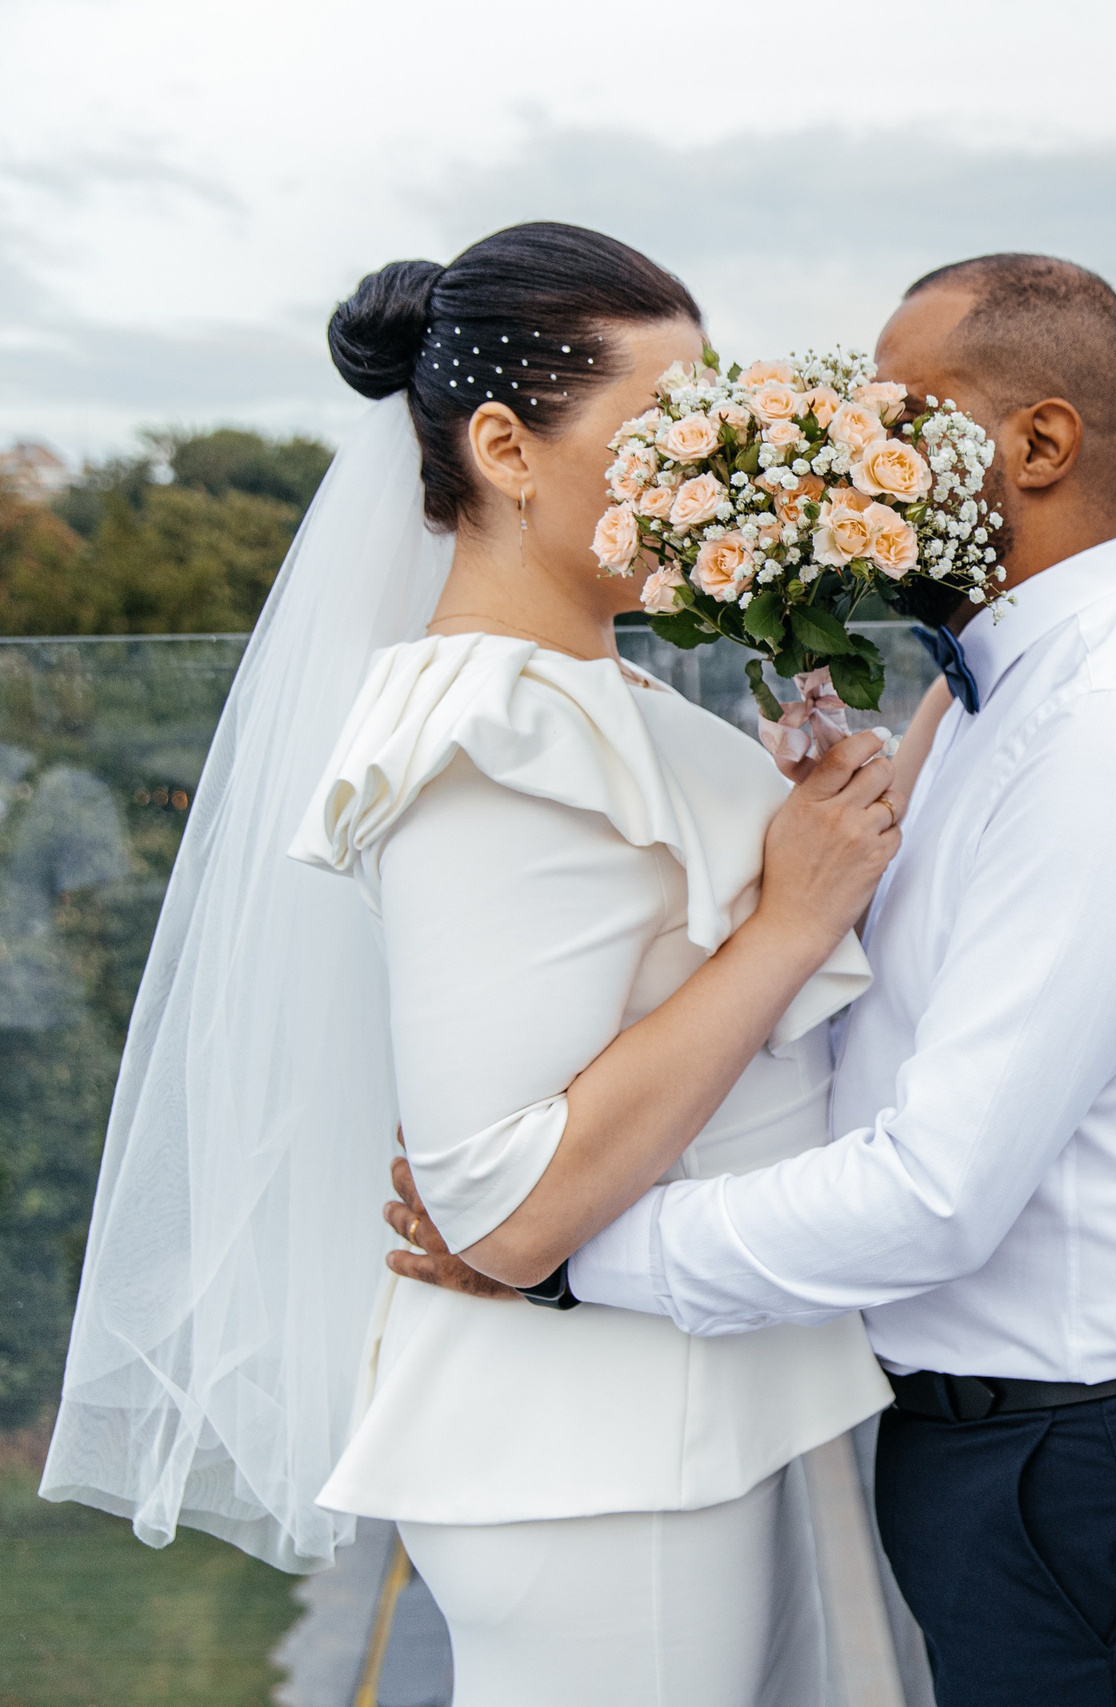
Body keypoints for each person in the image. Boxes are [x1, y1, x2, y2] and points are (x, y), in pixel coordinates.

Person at [394, 254, 1116, 1706]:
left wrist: (554, 1255)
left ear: (1038, 446)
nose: (843, 453)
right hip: (1013, 1444)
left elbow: (936, 1192)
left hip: (1091, 1455)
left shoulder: (1114, 737)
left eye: (895, 415)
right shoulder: (982, 699)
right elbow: (890, 1023)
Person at [45, 223, 916, 1706]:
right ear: (507, 450)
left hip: (654, 1436)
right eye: (666, 430)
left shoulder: (582, 694)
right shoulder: (488, 741)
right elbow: (499, 1202)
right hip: (596, 1474)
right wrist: (785, 922)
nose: (709, 473)